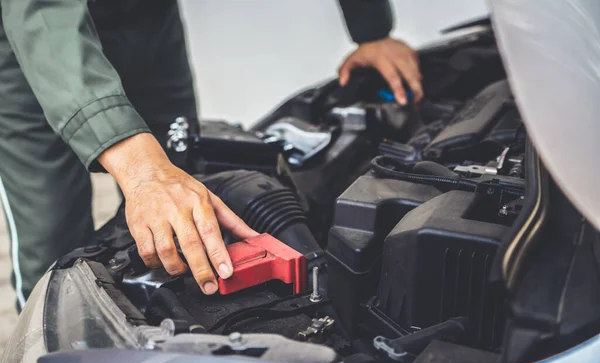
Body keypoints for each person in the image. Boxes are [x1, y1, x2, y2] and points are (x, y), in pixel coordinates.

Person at [0, 0, 422, 309]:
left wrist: (373, 30)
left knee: (185, 216)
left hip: (146, 23)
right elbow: (41, 12)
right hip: (35, 45)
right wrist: (142, 170)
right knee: (54, 255)